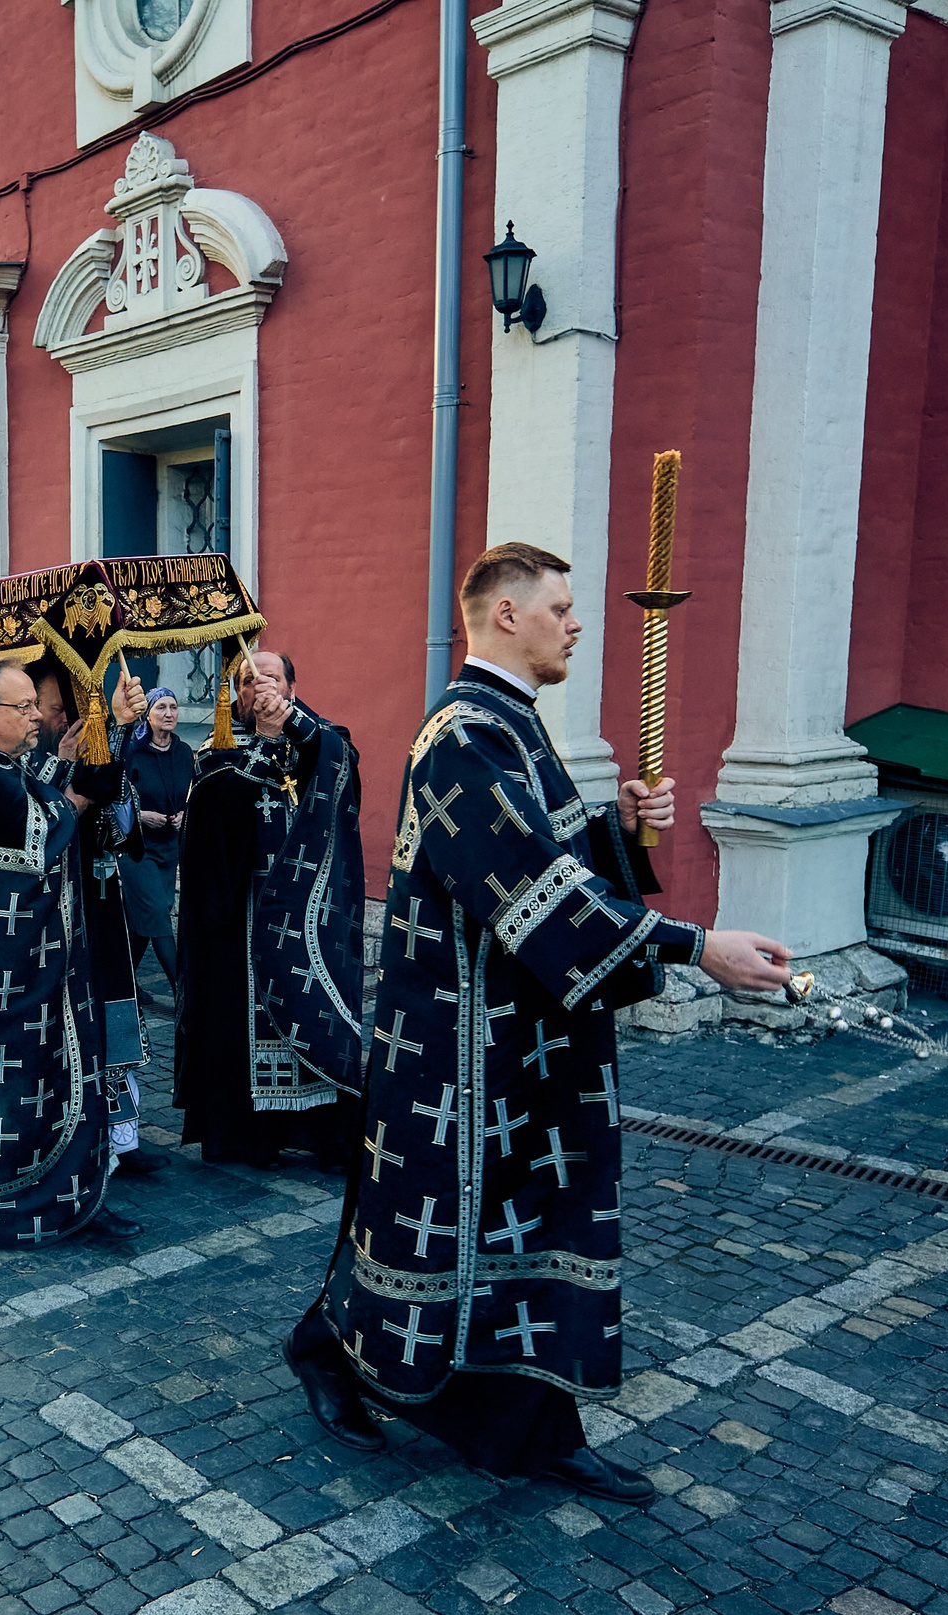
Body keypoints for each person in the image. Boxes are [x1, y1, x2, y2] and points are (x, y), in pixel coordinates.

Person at [289, 542, 791, 1501]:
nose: (574, 623)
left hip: (526, 1043)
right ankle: (336, 1355)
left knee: (525, 1223)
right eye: (560, 607)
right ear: (506, 616)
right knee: (428, 1232)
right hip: (457, 1054)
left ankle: (532, 1426)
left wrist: (611, 828)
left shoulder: (513, 726)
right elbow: (529, 891)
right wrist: (697, 947)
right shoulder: (463, 736)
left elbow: (540, 853)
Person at [0, 662, 147, 1247]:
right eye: (23, 708)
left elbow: (52, 784)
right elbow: (44, 826)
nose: (36, 716)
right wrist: (98, 751)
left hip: (22, 973)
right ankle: (3, 1206)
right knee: (4, 1092)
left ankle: (65, 1195)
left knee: (46, 1083)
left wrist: (107, 734)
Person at [174, 652, 365, 1170]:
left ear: (292, 686)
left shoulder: (323, 740)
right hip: (245, 919)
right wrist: (264, 746)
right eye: (246, 681)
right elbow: (214, 826)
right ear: (234, 695)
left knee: (317, 1016)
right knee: (242, 1022)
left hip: (311, 920)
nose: (258, 689)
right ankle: (250, 1136)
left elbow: (341, 776)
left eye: (270, 678)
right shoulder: (217, 753)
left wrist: (287, 733)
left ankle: (328, 1135)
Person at [27, 656, 160, 1181]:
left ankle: (122, 1136)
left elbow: (122, 827)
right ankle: (81, 1138)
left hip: (101, 902)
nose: (61, 720)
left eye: (66, 710)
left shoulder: (87, 747)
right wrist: (67, 766)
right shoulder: (23, 763)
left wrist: (117, 746)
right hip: (58, 918)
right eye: (53, 710)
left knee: (115, 1011)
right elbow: (42, 826)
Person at [124, 688, 192, 1007]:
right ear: (147, 715)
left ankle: (123, 984)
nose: (169, 713)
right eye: (161, 707)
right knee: (156, 915)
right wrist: (140, 815)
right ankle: (182, 990)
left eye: (174, 707)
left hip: (168, 848)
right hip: (136, 848)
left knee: (147, 918)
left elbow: (192, 796)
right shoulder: (131, 753)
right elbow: (114, 801)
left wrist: (185, 815)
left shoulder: (184, 752)